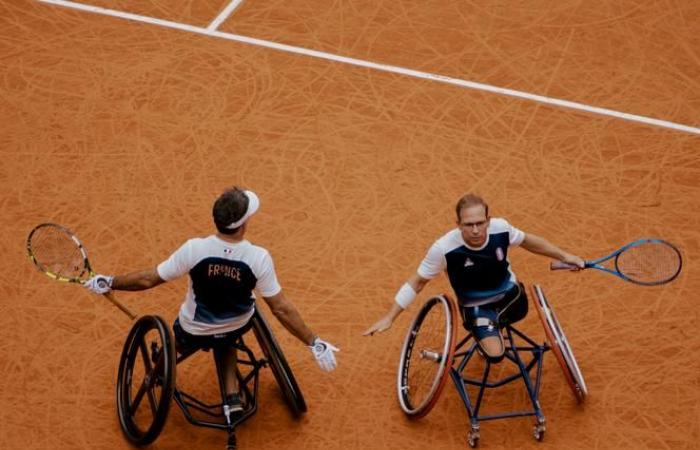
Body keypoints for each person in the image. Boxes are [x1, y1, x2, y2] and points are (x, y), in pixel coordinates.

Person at [84, 187, 338, 415]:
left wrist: (110, 281)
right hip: (237, 325)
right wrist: (313, 342)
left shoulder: (194, 249)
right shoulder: (258, 258)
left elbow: (148, 280)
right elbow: (281, 308)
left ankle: (162, 366)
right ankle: (232, 397)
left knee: (181, 338)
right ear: (242, 224)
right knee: (227, 335)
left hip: (193, 330)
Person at [363, 193, 584, 360]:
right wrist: (390, 317)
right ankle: (487, 332)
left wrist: (566, 255)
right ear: (458, 225)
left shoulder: (501, 228)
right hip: (476, 307)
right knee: (496, 356)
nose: (476, 230)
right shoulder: (444, 248)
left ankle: (490, 329)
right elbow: (418, 282)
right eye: (469, 225)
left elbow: (527, 241)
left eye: (480, 223)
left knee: (505, 315)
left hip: (512, 297)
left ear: (488, 220)